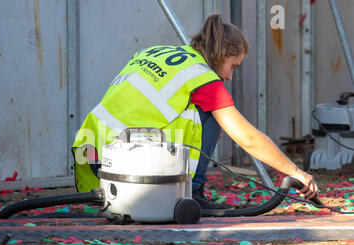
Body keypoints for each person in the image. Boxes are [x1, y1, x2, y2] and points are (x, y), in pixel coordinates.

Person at [72, 14, 318, 209]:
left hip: (94, 154)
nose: (229, 76)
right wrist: (295, 172)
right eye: (233, 66)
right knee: (215, 114)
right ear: (221, 54)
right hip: (131, 167)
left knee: (204, 115)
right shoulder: (202, 77)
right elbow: (248, 139)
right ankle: (195, 192)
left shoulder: (156, 52)